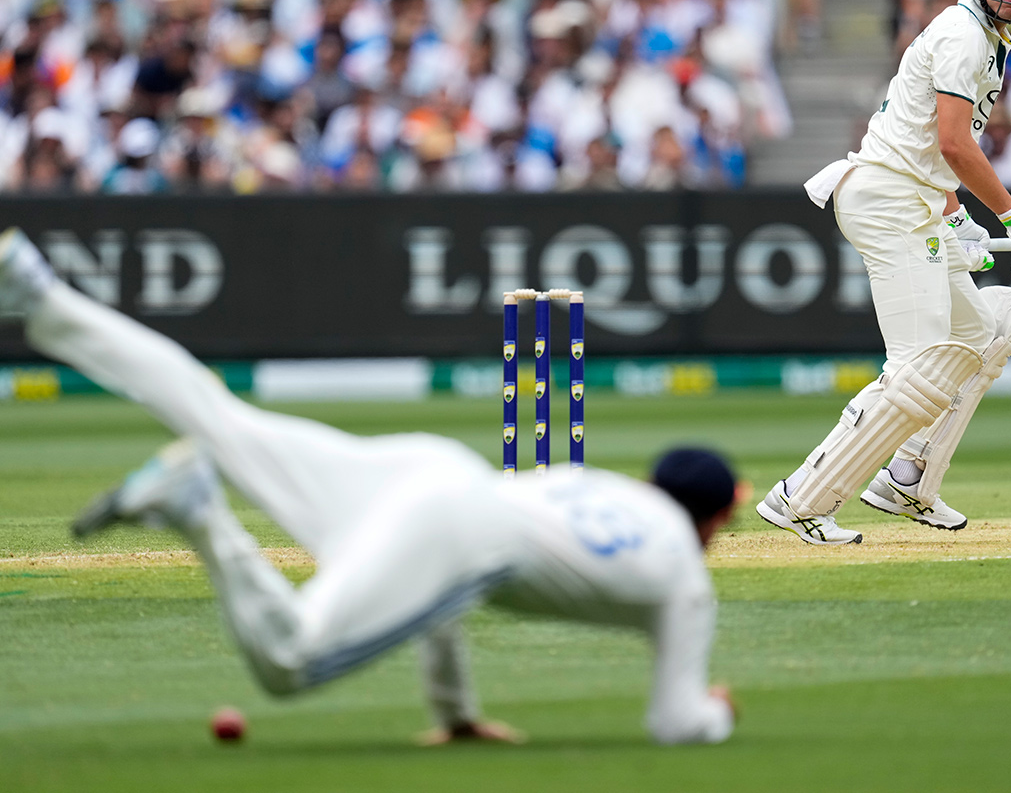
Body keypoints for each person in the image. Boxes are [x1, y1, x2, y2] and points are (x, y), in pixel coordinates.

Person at [0, 227, 738, 745]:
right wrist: (717, 711)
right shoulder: (684, 577)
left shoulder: (599, 483)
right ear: (714, 520)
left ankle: (42, 298)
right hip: (457, 523)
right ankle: (200, 514)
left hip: (434, 469)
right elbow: (676, 725)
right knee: (290, 663)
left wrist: (454, 715)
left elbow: (445, 586)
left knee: (219, 413)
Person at [756, 0, 1011, 545]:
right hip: (887, 200)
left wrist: (956, 215)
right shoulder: (963, 36)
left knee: (987, 328)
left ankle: (909, 476)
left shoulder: (989, 40)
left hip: (917, 198)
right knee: (918, 365)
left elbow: (934, 144)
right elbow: (951, 141)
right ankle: (800, 498)